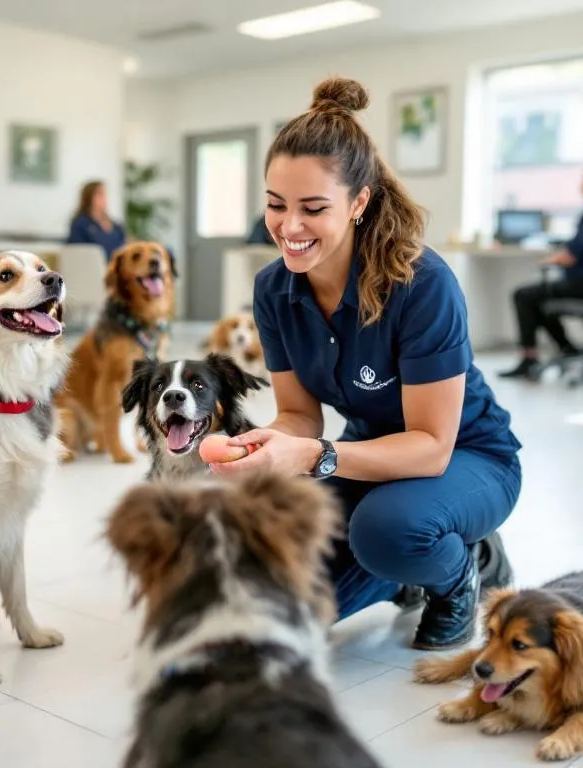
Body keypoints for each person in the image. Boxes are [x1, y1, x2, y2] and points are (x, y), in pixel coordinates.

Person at [209, 77, 521, 651]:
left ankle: (463, 570)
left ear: (359, 202)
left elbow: (430, 445)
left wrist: (316, 456)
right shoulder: (273, 290)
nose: (289, 227)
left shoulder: (422, 284)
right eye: (276, 205)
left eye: (313, 208)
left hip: (465, 457)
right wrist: (260, 447)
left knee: (386, 530)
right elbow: (299, 416)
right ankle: (407, 567)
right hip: (368, 458)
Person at [500, 165, 583, 379]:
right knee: (539, 296)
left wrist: (546, 260)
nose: (582, 185)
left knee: (524, 295)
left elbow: (570, 256)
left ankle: (530, 359)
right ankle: (567, 348)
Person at [67, 180, 127, 260]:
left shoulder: (116, 226)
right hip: (90, 268)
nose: (104, 198)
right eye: (99, 194)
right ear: (89, 198)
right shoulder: (80, 224)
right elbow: (76, 252)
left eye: (104, 194)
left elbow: (123, 247)